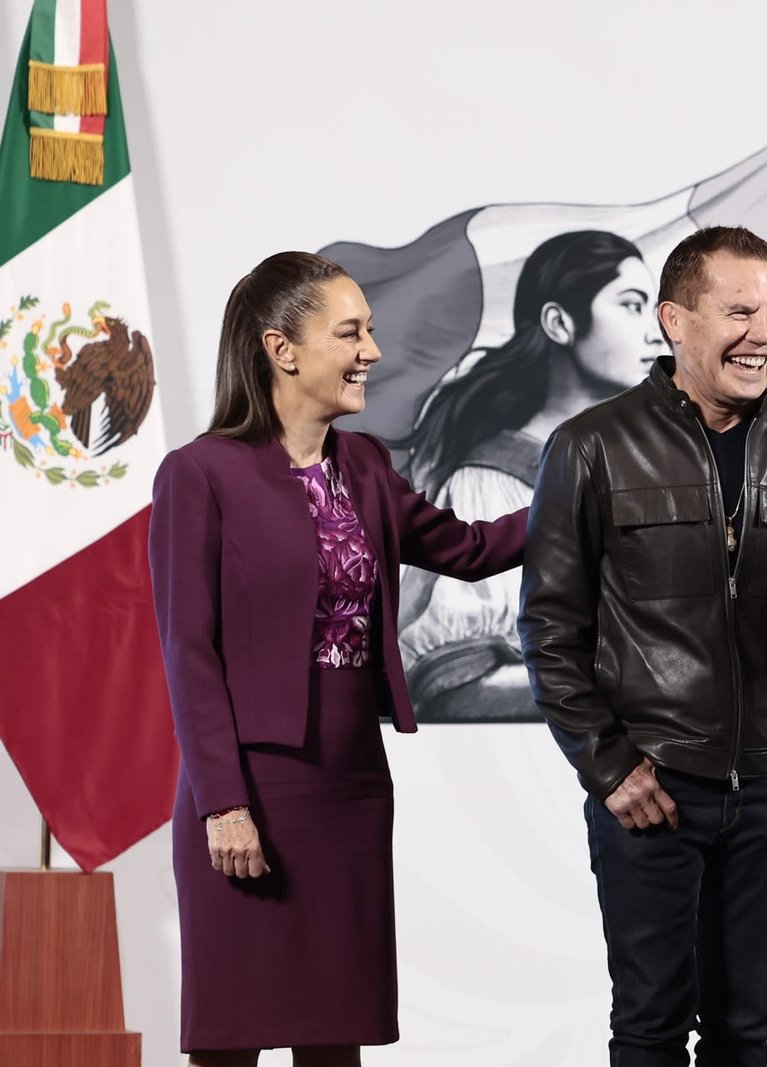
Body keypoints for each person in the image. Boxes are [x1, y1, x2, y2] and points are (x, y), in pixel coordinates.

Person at [519, 225, 767, 1065]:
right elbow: (549, 625)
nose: (764, 334)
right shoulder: (590, 445)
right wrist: (608, 763)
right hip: (651, 787)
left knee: (744, 1030)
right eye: (739, 312)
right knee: (650, 1027)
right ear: (675, 322)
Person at [148, 252, 528, 1066]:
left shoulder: (367, 466)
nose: (371, 352)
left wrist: (584, 487)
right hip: (249, 789)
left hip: (351, 787)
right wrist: (223, 803)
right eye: (351, 333)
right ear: (281, 349)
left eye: (370, 332)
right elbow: (188, 651)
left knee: (335, 1036)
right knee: (230, 1040)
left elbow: (472, 549)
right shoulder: (199, 474)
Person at [395, 230, 668, 722]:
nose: (656, 333)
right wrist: (624, 691)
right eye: (632, 306)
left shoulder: (652, 470)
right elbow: (449, 683)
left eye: (655, 309)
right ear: (559, 323)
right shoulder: (491, 485)